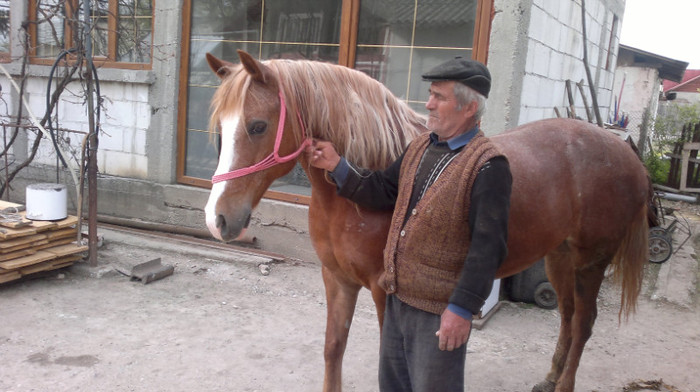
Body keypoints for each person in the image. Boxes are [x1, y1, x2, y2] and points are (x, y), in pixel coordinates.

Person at [306, 56, 512, 392]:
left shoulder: (489, 166)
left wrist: (461, 310)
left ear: (470, 107)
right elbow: (384, 189)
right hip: (397, 299)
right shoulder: (420, 146)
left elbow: (488, 248)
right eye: (430, 94)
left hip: (438, 312)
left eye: (439, 97)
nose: (428, 104)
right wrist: (337, 165)